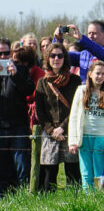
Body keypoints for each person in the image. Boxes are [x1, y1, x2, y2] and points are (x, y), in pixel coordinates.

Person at [35, 43, 82, 191]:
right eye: (53, 55)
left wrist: (62, 128)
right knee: (49, 172)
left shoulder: (75, 80)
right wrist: (51, 130)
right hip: (50, 133)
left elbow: (76, 107)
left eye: (60, 55)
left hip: (70, 130)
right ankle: (48, 205)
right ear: (47, 58)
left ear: (65, 58)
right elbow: (40, 111)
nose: (56, 58)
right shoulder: (42, 82)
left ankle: (76, 203)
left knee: (73, 173)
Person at [68, 60, 104, 191]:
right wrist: (73, 141)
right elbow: (73, 116)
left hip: (102, 138)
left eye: (103, 74)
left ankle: (100, 201)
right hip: (84, 137)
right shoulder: (81, 91)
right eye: (97, 73)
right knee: (86, 174)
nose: (100, 76)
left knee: (100, 174)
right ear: (90, 74)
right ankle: (88, 201)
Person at [0, 37, 35, 195]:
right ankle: (4, 197)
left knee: (22, 164)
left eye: (6, 53)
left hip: (19, 126)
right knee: (2, 166)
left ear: (11, 53)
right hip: (1, 125)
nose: (3, 57)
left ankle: (23, 197)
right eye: (0, 53)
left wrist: (15, 75)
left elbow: (29, 90)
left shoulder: (21, 70)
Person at [56, 20, 104, 88]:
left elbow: (102, 53)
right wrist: (57, 40)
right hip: (86, 96)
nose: (91, 36)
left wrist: (82, 38)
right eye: (89, 33)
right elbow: (60, 56)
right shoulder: (84, 55)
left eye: (94, 33)